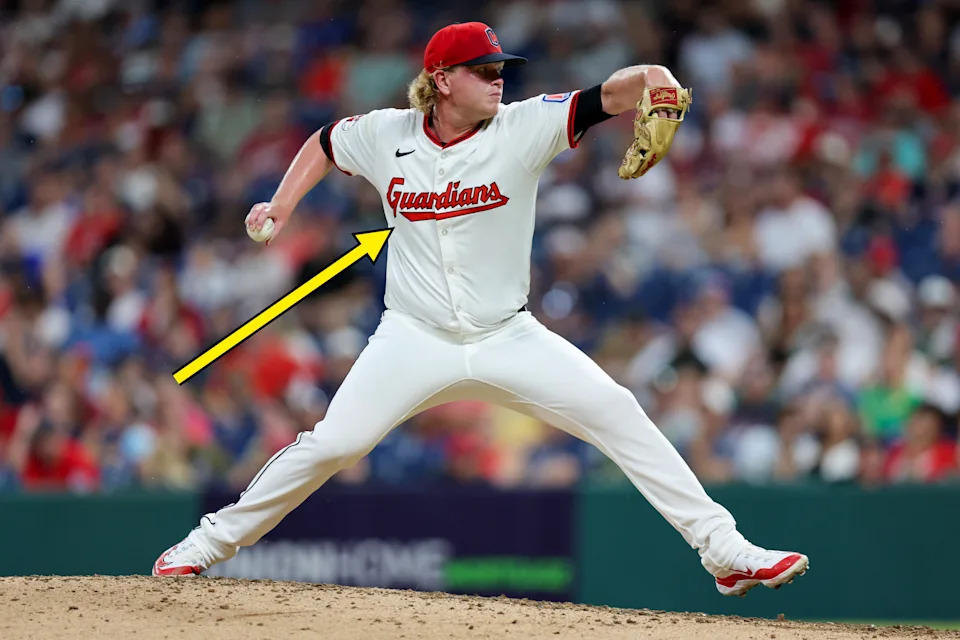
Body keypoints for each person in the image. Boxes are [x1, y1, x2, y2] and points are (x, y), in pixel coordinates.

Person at [152, 21, 809, 598]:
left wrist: (659, 76)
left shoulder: (524, 125)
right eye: (483, 70)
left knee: (616, 409)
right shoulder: (387, 134)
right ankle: (206, 545)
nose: (499, 80)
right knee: (334, 443)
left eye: (501, 69)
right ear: (441, 80)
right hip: (412, 336)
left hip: (506, 334)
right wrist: (281, 204)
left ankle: (722, 549)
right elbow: (325, 143)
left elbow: (614, 93)